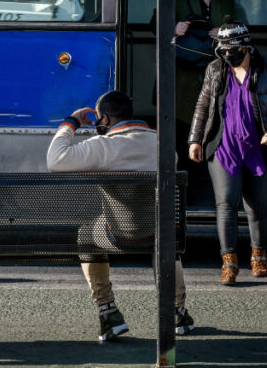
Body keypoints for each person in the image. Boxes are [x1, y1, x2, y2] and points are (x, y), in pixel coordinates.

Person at [47, 90, 196, 342]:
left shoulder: (103, 147)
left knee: (86, 234)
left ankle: (108, 313)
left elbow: (55, 160)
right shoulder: (162, 144)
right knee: (165, 240)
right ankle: (177, 312)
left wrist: (71, 122)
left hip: (119, 235)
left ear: (104, 120)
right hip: (160, 233)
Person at [187, 18, 267, 285]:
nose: (227, 55)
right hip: (224, 147)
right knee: (226, 204)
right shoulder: (215, 69)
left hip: (261, 147)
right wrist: (195, 139)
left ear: (246, 47)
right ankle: (229, 261)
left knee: (257, 207)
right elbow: (202, 106)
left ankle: (259, 255)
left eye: (231, 50)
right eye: (222, 50)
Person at [154, 0, 237, 203]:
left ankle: (210, 188)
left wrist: (222, 33)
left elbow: (237, 31)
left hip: (216, 74)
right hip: (182, 77)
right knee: (181, 135)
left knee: (213, 131)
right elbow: (155, 23)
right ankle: (181, 192)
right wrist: (173, 27)